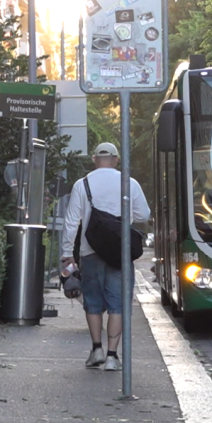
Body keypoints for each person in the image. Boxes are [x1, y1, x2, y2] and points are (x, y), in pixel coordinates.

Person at [61, 142, 151, 371]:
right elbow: (144, 214)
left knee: (92, 302)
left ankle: (96, 350)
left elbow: (72, 221)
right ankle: (112, 356)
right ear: (116, 160)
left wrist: (66, 254)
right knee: (117, 304)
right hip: (120, 252)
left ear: (94, 159)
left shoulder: (83, 184)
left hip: (90, 252)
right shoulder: (129, 183)